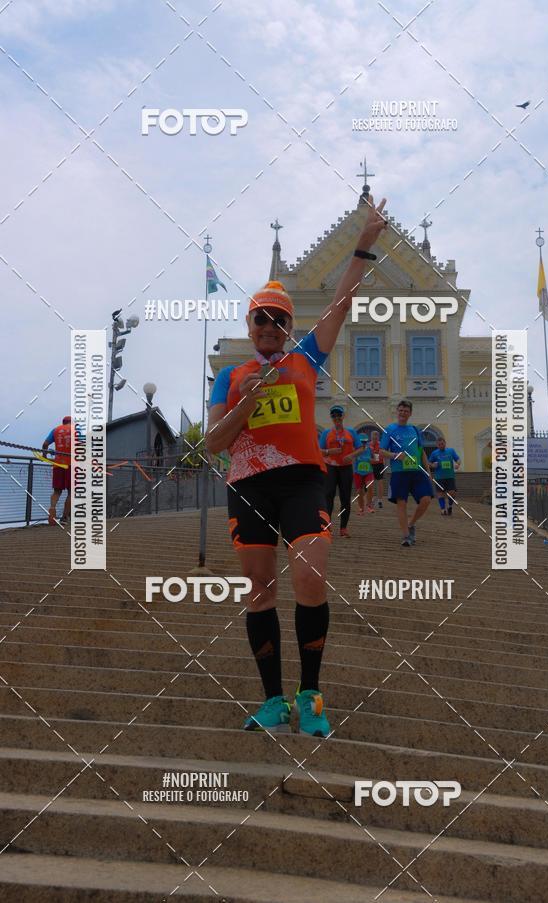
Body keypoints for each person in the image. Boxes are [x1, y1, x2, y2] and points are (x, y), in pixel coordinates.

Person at [206, 196, 387, 736]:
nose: (269, 326)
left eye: (278, 319)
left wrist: (363, 245)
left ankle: (310, 696)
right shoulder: (231, 377)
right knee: (260, 589)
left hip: (304, 479)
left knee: (310, 576)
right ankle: (273, 701)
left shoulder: (305, 357)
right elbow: (215, 442)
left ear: (288, 327)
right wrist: (246, 403)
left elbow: (341, 304)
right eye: (260, 318)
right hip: (249, 486)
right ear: (250, 325)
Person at [380, 400, 434, 547]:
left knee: (426, 499)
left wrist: (428, 471)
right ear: (397, 412)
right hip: (399, 473)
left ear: (410, 413)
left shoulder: (415, 430)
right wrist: (395, 455)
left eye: (406, 411)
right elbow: (381, 451)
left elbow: (421, 451)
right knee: (401, 503)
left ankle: (411, 524)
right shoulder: (390, 430)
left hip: (417, 472)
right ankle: (406, 536)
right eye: (401, 410)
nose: (403, 413)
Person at [319, 405, 361, 536]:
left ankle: (343, 528)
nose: (337, 418)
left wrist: (351, 455)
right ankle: (327, 526)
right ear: (331, 417)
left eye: (339, 415)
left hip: (345, 468)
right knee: (328, 497)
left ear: (343, 416)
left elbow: (361, 448)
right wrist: (328, 451)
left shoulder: (351, 432)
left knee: (345, 498)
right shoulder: (326, 433)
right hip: (330, 467)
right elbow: (319, 451)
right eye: (334, 415)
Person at [42, 415, 72, 526]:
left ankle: (52, 509)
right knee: (71, 492)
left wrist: (44, 455)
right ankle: (64, 518)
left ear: (63, 422)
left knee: (57, 491)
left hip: (58, 464)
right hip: (72, 465)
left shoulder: (56, 430)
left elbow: (45, 444)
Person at [429, 436, 460, 515]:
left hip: (450, 476)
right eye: (439, 444)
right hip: (439, 477)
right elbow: (429, 462)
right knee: (440, 494)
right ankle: (443, 509)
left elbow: (458, 459)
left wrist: (458, 464)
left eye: (442, 444)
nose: (441, 445)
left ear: (445, 443)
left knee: (452, 493)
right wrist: (432, 465)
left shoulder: (451, 451)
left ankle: (450, 506)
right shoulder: (434, 453)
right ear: (437, 445)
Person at [344, 433, 374, 514]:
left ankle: (369, 505)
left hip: (368, 471)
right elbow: (350, 457)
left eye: (365, 442)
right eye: (362, 442)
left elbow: (375, 457)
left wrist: (373, 460)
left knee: (370, 486)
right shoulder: (355, 449)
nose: (363, 443)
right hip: (358, 472)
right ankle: (361, 508)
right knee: (359, 491)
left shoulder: (370, 448)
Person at [369, 429, 385, 508]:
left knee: (380, 482)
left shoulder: (381, 445)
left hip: (379, 465)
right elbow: (367, 456)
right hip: (370, 466)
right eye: (373, 437)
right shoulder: (368, 445)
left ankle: (380, 500)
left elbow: (381, 456)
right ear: (371, 437)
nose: (375, 438)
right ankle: (371, 499)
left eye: (376, 437)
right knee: (370, 483)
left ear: (378, 437)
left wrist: (374, 457)